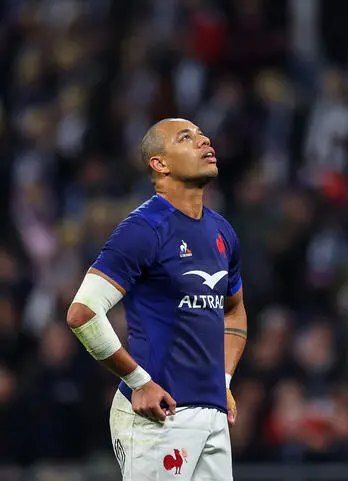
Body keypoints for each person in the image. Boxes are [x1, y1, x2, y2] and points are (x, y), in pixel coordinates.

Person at [66, 118, 248, 480]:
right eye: (186, 138)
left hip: (212, 414)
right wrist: (138, 382)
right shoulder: (144, 228)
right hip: (159, 417)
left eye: (202, 135)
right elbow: (82, 313)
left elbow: (235, 311)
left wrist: (222, 381)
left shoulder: (222, 231)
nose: (204, 140)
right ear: (159, 164)